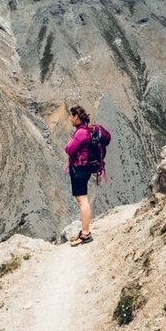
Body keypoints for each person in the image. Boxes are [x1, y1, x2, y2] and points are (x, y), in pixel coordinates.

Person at [65, 105, 93, 246]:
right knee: (82, 200)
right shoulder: (84, 130)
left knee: (82, 200)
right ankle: (85, 232)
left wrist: (68, 145)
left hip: (79, 169)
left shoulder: (81, 132)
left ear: (76, 117)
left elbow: (69, 150)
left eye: (71, 116)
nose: (69, 118)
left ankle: (85, 234)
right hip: (83, 168)